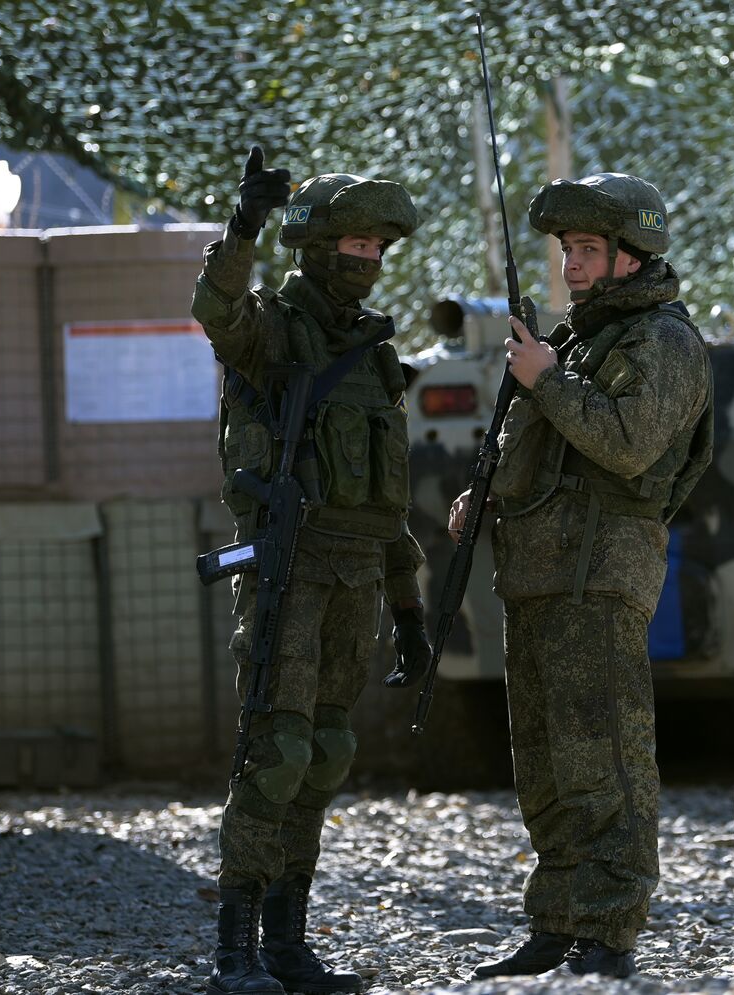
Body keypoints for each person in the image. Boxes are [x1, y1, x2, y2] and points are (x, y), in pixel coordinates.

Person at [447, 173, 713, 980]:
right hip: (537, 573)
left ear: (633, 256)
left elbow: (628, 442)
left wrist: (546, 380)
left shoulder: (664, 342)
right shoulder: (572, 343)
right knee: (545, 758)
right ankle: (555, 921)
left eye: (589, 250)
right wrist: (483, 493)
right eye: (567, 250)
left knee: (606, 755)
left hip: (601, 573)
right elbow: (542, 452)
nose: (572, 265)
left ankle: (608, 928)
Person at [192, 146, 434, 995]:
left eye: (377, 248)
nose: (366, 261)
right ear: (316, 246)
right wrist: (243, 224)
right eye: (354, 245)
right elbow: (215, 307)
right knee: (279, 749)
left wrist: (408, 609)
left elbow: (388, 501)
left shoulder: (371, 352)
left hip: (356, 574)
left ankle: (288, 943)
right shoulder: (277, 330)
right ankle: (235, 948)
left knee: (326, 749)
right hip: (290, 570)